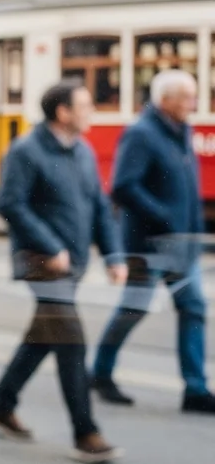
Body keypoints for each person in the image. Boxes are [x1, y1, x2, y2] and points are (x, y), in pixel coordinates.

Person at [0, 81, 127, 462]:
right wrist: (50, 247)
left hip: (72, 264)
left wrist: (113, 256)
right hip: (41, 262)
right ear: (62, 112)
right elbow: (11, 204)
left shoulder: (82, 150)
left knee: (44, 335)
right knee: (71, 341)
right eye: (85, 106)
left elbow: (99, 207)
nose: (91, 112)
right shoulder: (26, 150)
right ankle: (86, 432)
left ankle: (2, 403)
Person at [92, 70, 215, 414]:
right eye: (186, 97)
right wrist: (164, 216)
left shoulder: (181, 130)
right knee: (134, 309)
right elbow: (123, 186)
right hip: (149, 245)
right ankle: (100, 371)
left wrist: (191, 227)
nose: (193, 103)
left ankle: (195, 389)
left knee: (193, 308)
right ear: (165, 100)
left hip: (181, 245)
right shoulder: (141, 134)